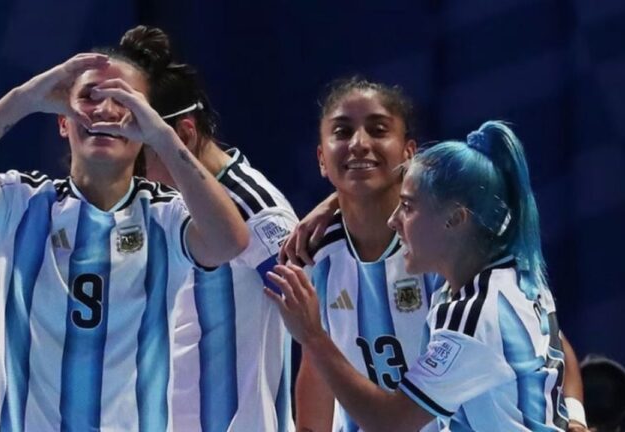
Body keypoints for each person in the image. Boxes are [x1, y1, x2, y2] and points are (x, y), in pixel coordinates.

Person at [0, 46, 249, 431]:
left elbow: (230, 242)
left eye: (124, 100)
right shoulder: (21, 205)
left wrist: (164, 139)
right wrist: (21, 100)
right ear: (63, 121)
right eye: (89, 97)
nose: (105, 110)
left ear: (144, 123)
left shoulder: (164, 216)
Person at [267, 120, 574, 431]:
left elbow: (390, 422)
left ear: (454, 218)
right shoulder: (513, 273)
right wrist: (338, 199)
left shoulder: (476, 317)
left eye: (407, 207)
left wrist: (313, 336)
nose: (393, 221)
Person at [115, 26, 298, 431]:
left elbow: (320, 327)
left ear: (183, 135)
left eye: (141, 154)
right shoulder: (159, 202)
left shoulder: (258, 209)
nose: (133, 169)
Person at [276, 77, 441, 432]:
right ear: (322, 158)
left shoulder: (447, 244)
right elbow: (318, 373)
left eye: (378, 130)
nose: (359, 144)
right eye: (342, 131)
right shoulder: (313, 257)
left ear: (409, 152)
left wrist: (574, 418)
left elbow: (537, 334)